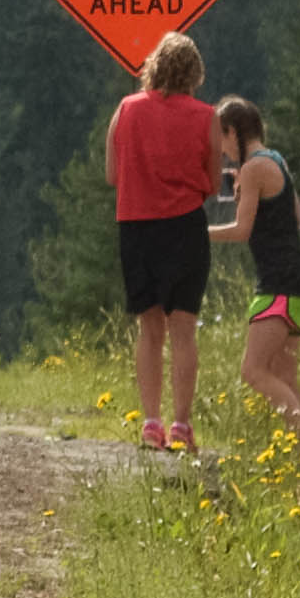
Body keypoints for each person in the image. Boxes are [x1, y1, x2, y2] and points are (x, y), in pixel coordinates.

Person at [107, 31, 220, 452]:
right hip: (184, 227)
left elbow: (112, 174)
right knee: (183, 329)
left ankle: (151, 422)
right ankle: (181, 425)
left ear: (153, 67)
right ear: (195, 74)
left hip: (136, 226)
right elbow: (212, 182)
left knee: (149, 328)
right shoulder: (206, 116)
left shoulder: (127, 109)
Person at [209, 95, 300, 446]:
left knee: (253, 371)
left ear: (232, 131)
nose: (222, 150)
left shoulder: (254, 168)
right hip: (298, 279)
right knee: (284, 375)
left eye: (221, 139)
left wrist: (197, 233)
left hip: (278, 283)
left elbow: (242, 230)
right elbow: (296, 215)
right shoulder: (276, 160)